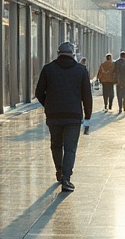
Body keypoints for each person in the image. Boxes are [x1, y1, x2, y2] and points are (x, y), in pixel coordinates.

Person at [35, 41, 92, 193]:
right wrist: (87, 117)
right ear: (73, 54)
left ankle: (59, 171)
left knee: (56, 145)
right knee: (70, 148)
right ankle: (66, 178)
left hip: (54, 115)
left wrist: (48, 105)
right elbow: (87, 96)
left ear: (58, 53)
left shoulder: (48, 69)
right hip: (73, 115)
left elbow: (38, 92)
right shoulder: (81, 70)